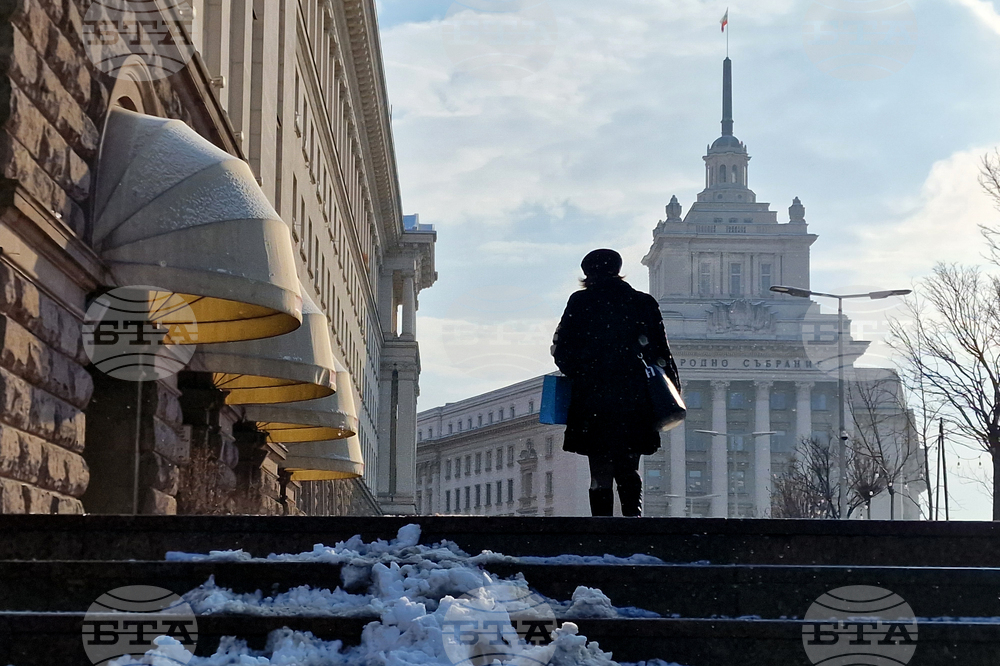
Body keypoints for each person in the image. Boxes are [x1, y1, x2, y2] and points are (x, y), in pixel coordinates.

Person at [551, 249, 680, 517]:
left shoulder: (581, 302)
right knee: (629, 465)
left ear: (588, 273)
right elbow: (661, 353)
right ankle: (633, 524)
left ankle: (602, 529)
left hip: (593, 398)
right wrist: (672, 390)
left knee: (599, 469)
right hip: (635, 397)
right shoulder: (642, 302)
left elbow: (562, 349)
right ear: (618, 269)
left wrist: (583, 371)